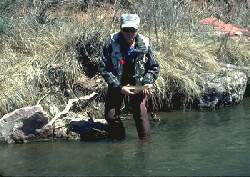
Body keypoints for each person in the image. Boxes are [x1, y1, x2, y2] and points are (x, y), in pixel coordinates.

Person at [99, 14, 160, 141]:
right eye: (126, 30)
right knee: (111, 116)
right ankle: (120, 140)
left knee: (141, 116)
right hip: (117, 82)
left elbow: (153, 67)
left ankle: (144, 145)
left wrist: (148, 82)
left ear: (137, 29)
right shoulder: (111, 42)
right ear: (120, 29)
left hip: (138, 83)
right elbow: (104, 68)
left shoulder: (145, 43)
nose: (129, 33)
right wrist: (119, 87)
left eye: (132, 30)